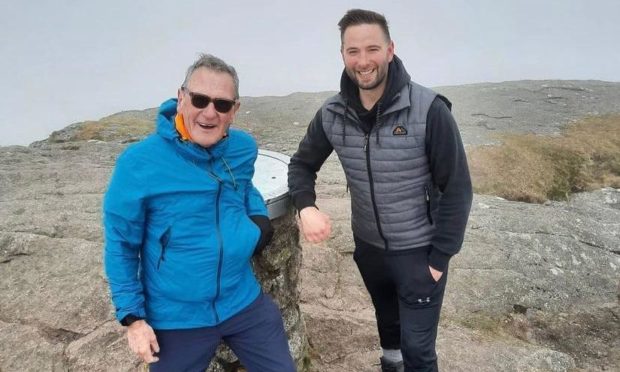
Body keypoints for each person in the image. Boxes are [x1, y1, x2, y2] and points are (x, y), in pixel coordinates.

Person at [288, 9, 472, 372]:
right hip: (370, 250)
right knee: (390, 336)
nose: (363, 61)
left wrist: (438, 260)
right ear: (342, 55)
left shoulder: (429, 110)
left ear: (390, 50)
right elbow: (301, 165)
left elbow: (457, 189)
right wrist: (305, 207)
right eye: (353, 51)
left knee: (418, 352)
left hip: (418, 253)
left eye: (372, 49)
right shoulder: (332, 113)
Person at [103, 53, 296, 372]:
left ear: (234, 110)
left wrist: (258, 220)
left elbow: (244, 186)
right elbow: (121, 245)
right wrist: (133, 319)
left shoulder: (242, 148)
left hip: (242, 300)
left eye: (222, 104)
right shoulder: (138, 164)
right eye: (200, 99)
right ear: (181, 99)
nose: (209, 112)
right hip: (176, 316)